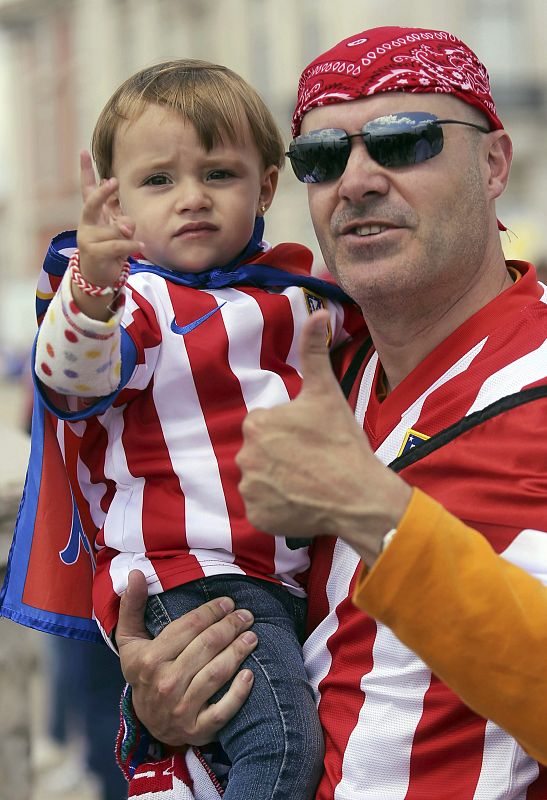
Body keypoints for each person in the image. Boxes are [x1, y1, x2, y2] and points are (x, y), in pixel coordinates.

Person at [109, 26, 547, 800]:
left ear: (492, 163)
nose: (357, 180)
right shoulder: (303, 381)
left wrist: (373, 512)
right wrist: (164, 706)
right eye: (321, 157)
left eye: (403, 142)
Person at [30, 59, 361, 800]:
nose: (191, 199)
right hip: (193, 573)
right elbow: (70, 378)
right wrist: (90, 291)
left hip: (275, 579)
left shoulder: (294, 290)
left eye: (217, 174)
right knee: (281, 751)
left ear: (266, 188)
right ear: (117, 207)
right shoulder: (142, 302)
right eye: (157, 182)